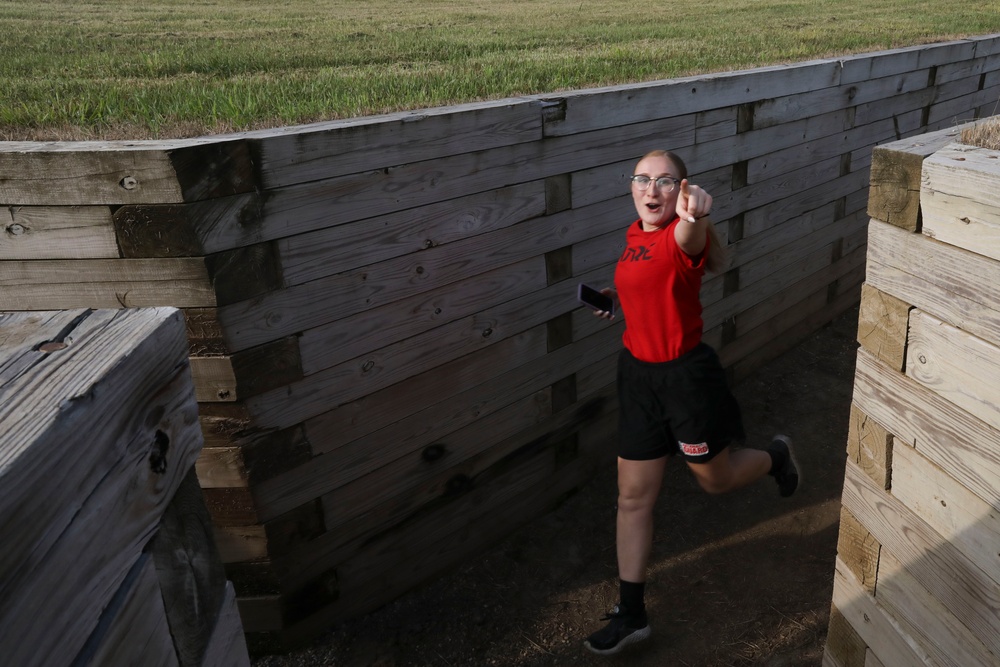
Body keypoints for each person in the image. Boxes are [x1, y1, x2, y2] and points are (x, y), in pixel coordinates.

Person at [582, 149, 799, 656]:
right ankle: (631, 613)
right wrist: (616, 298)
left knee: (715, 481)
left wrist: (695, 214)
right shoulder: (636, 235)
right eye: (641, 179)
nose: (650, 189)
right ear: (631, 186)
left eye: (664, 181)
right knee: (632, 497)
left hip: (686, 381)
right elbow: (642, 278)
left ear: (680, 190)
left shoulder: (684, 234)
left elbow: (688, 239)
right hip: (636, 377)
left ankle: (776, 457)